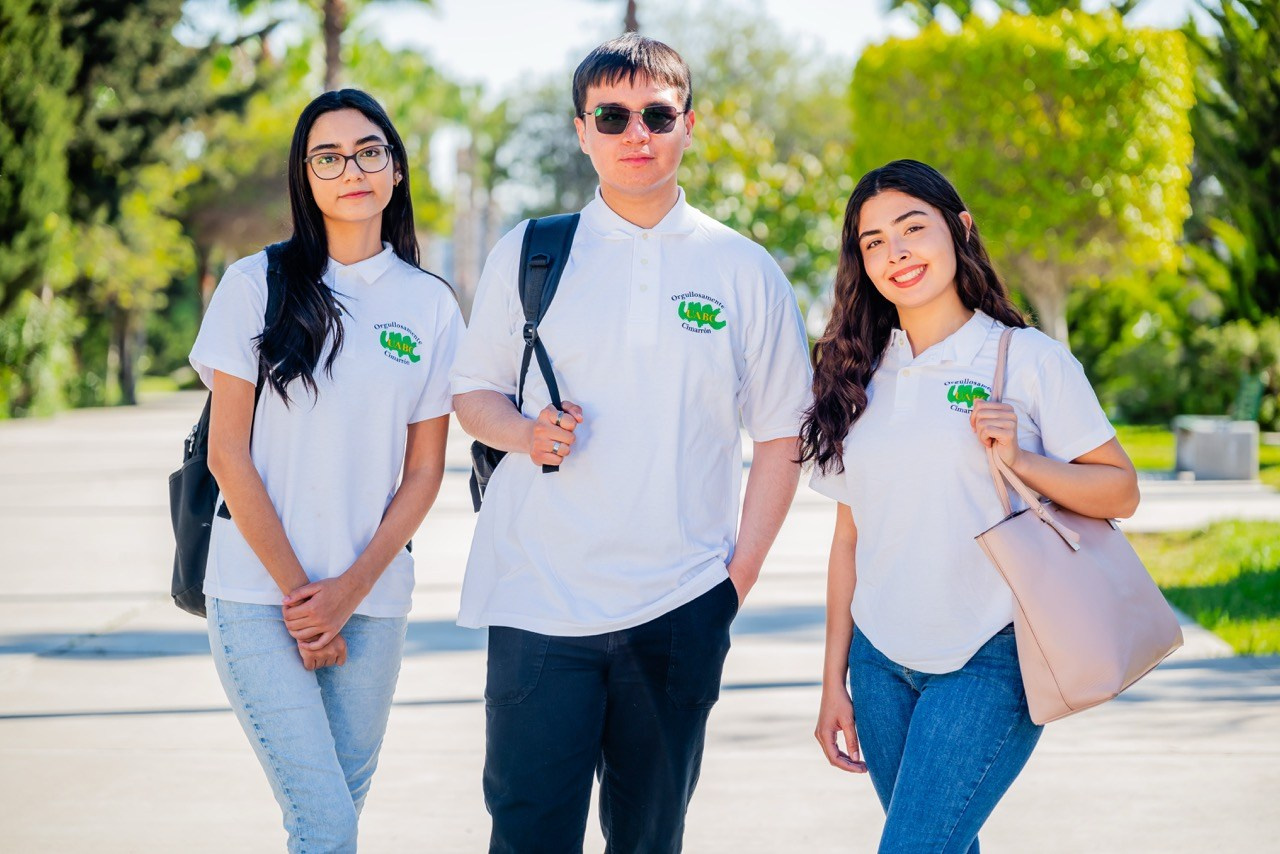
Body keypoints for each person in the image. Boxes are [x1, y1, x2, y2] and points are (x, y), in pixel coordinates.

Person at [449, 33, 812, 853]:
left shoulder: (742, 268)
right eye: (612, 116)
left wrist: (732, 585)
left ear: (690, 123)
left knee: (651, 841)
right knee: (529, 836)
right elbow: (472, 395)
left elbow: (785, 434)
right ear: (582, 131)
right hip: (537, 601)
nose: (635, 133)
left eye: (656, 113)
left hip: (680, 605)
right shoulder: (533, 253)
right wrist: (526, 431)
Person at [802, 159, 1140, 853]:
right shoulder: (854, 375)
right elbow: (848, 541)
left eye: (912, 229)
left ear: (959, 229)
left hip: (991, 657)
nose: (895, 254)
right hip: (880, 662)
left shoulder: (1027, 360)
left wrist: (1024, 461)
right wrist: (834, 679)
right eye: (872, 243)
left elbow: (1120, 489)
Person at [190, 88, 462, 852]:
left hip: (373, 603)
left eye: (370, 151)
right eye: (329, 156)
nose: (352, 169)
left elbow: (424, 474)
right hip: (254, 594)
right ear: (304, 177)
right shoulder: (256, 285)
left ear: (397, 170)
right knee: (326, 822)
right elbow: (227, 454)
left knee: (334, 815)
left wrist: (345, 595)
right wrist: (303, 602)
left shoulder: (431, 306)